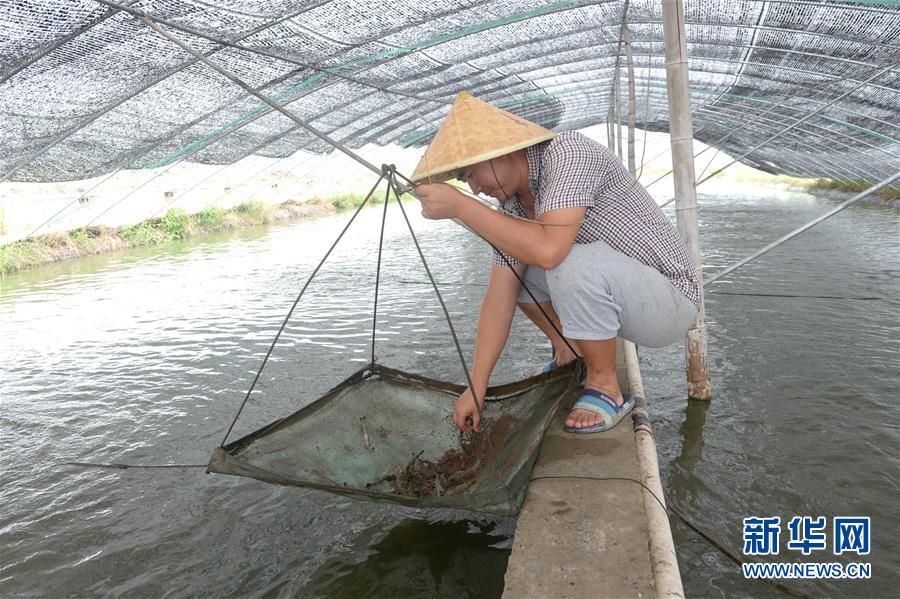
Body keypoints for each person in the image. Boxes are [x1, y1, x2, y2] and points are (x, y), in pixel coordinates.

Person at [409, 91, 700, 435]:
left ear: (502, 151)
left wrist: (462, 207)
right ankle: (569, 352)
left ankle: (605, 385)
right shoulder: (515, 208)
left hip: (669, 301)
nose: (474, 187)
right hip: (622, 296)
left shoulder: (568, 153)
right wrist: (477, 385)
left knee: (566, 260)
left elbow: (551, 250)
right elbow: (499, 298)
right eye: (465, 181)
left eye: (472, 173)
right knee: (523, 273)